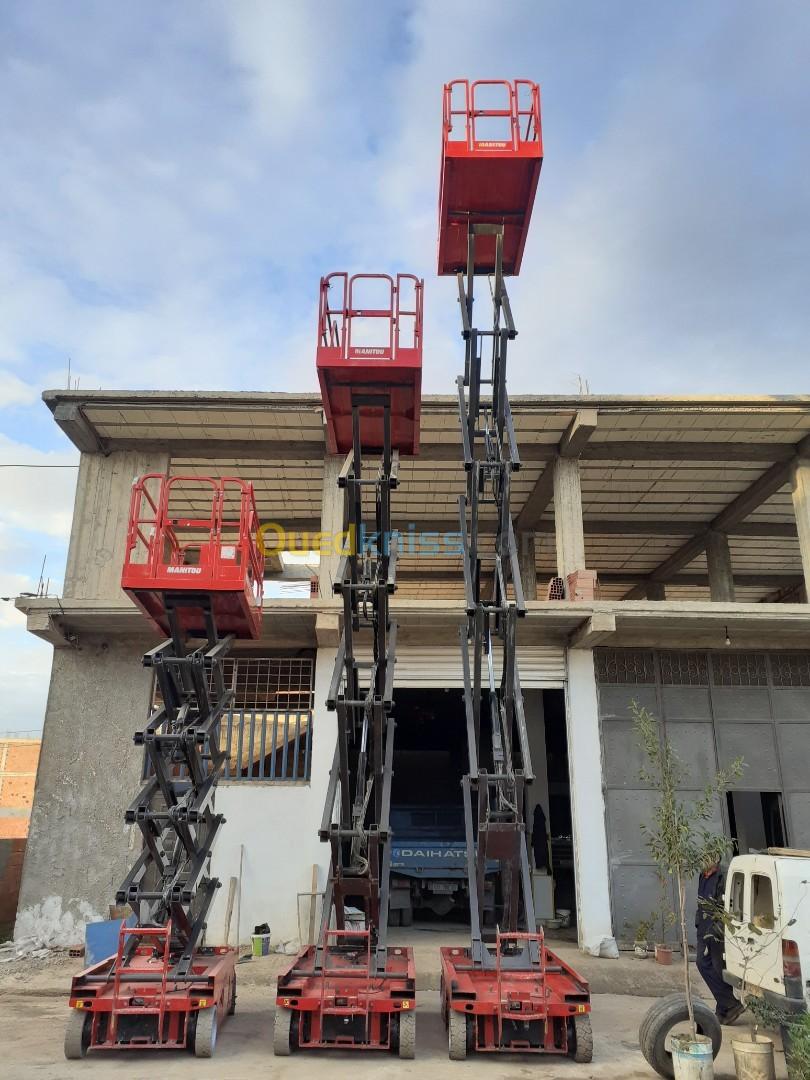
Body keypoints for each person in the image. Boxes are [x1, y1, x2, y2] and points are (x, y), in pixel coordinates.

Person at [696, 860, 743, 1024]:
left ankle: (726, 1009)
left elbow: (726, 907)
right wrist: (698, 923)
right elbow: (700, 901)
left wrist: (717, 930)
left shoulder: (723, 876)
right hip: (703, 928)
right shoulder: (702, 876)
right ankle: (729, 1005)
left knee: (717, 967)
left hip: (716, 931)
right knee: (702, 963)